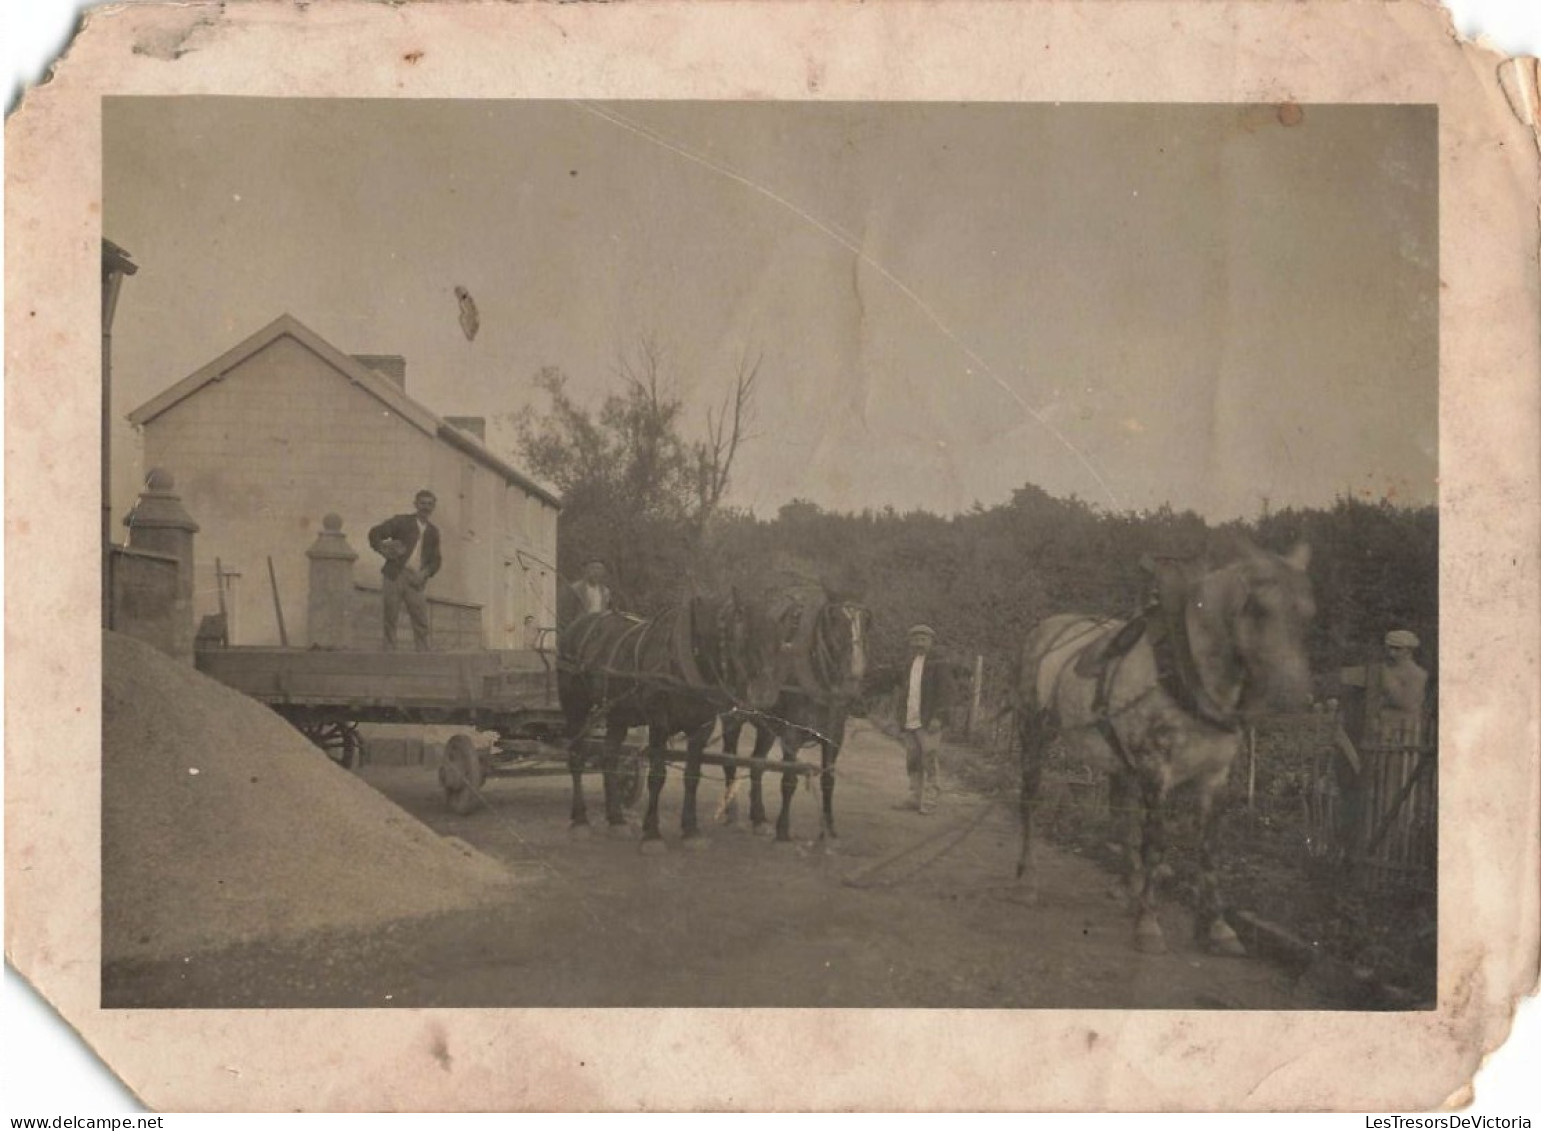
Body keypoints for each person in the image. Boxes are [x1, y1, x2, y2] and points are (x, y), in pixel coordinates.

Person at [367, 490, 441, 652]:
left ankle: (423, 656)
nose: (425, 507)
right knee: (390, 615)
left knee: (420, 619)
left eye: (429, 504)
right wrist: (383, 548)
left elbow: (436, 560)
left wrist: (425, 573)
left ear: (434, 507)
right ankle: (389, 654)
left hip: (416, 578)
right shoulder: (402, 522)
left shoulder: (433, 532)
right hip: (395, 574)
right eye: (422, 503)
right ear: (415, 504)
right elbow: (375, 533)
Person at [892, 623, 952, 815]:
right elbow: (905, 692)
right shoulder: (909, 663)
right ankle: (914, 796)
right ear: (910, 642)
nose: (919, 643)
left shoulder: (940, 663)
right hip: (910, 719)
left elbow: (946, 692)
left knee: (929, 758)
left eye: (923, 640)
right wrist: (900, 717)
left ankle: (930, 799)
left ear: (931, 642)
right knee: (913, 759)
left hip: (928, 721)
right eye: (916, 640)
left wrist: (938, 717)